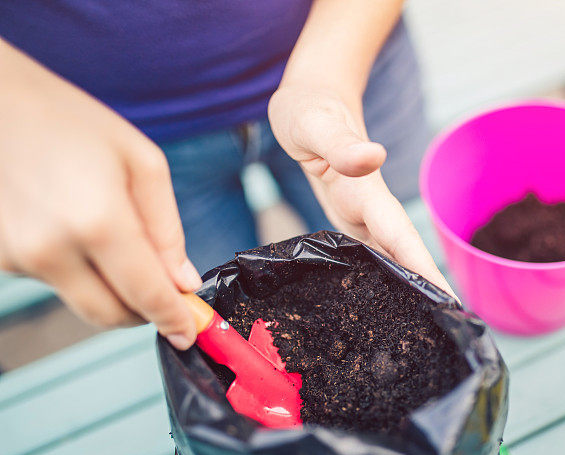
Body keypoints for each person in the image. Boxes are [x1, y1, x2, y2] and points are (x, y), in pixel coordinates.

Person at [0, 0, 451, 350]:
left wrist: (327, 82)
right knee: (212, 312)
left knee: (401, 258)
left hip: (351, 66)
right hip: (117, 137)